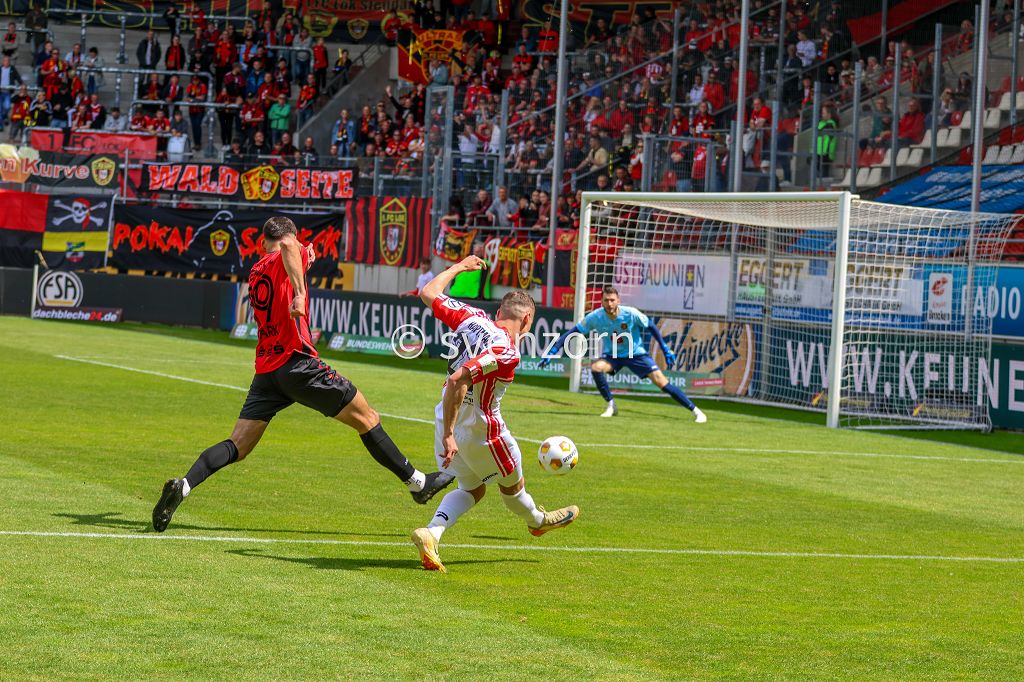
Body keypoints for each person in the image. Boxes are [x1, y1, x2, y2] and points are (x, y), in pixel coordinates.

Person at [151, 217, 456, 532]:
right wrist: (300, 289)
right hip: (297, 363)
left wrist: (301, 265)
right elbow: (287, 247)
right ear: (291, 237)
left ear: (262, 241)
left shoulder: (256, 272)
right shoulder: (284, 252)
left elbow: (285, 260)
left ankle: (184, 485)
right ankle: (418, 484)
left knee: (238, 445)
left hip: (267, 371)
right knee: (368, 418)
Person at [410, 256, 579, 573]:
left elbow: (428, 292)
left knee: (471, 488)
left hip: (445, 414)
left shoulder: (471, 316)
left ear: (499, 312)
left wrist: (458, 267)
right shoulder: (506, 351)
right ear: (526, 320)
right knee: (513, 488)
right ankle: (538, 521)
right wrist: (450, 435)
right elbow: (459, 379)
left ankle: (431, 533)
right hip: (481, 430)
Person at [541, 285, 706, 422]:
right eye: (606, 300)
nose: (609, 303)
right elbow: (572, 332)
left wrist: (665, 348)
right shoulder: (595, 317)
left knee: (662, 382)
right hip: (612, 355)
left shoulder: (631, 313)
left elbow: (650, 326)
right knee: (597, 367)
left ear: (618, 300)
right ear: (601, 301)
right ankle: (611, 405)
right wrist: (553, 351)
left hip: (636, 354)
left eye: (612, 300)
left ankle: (696, 411)